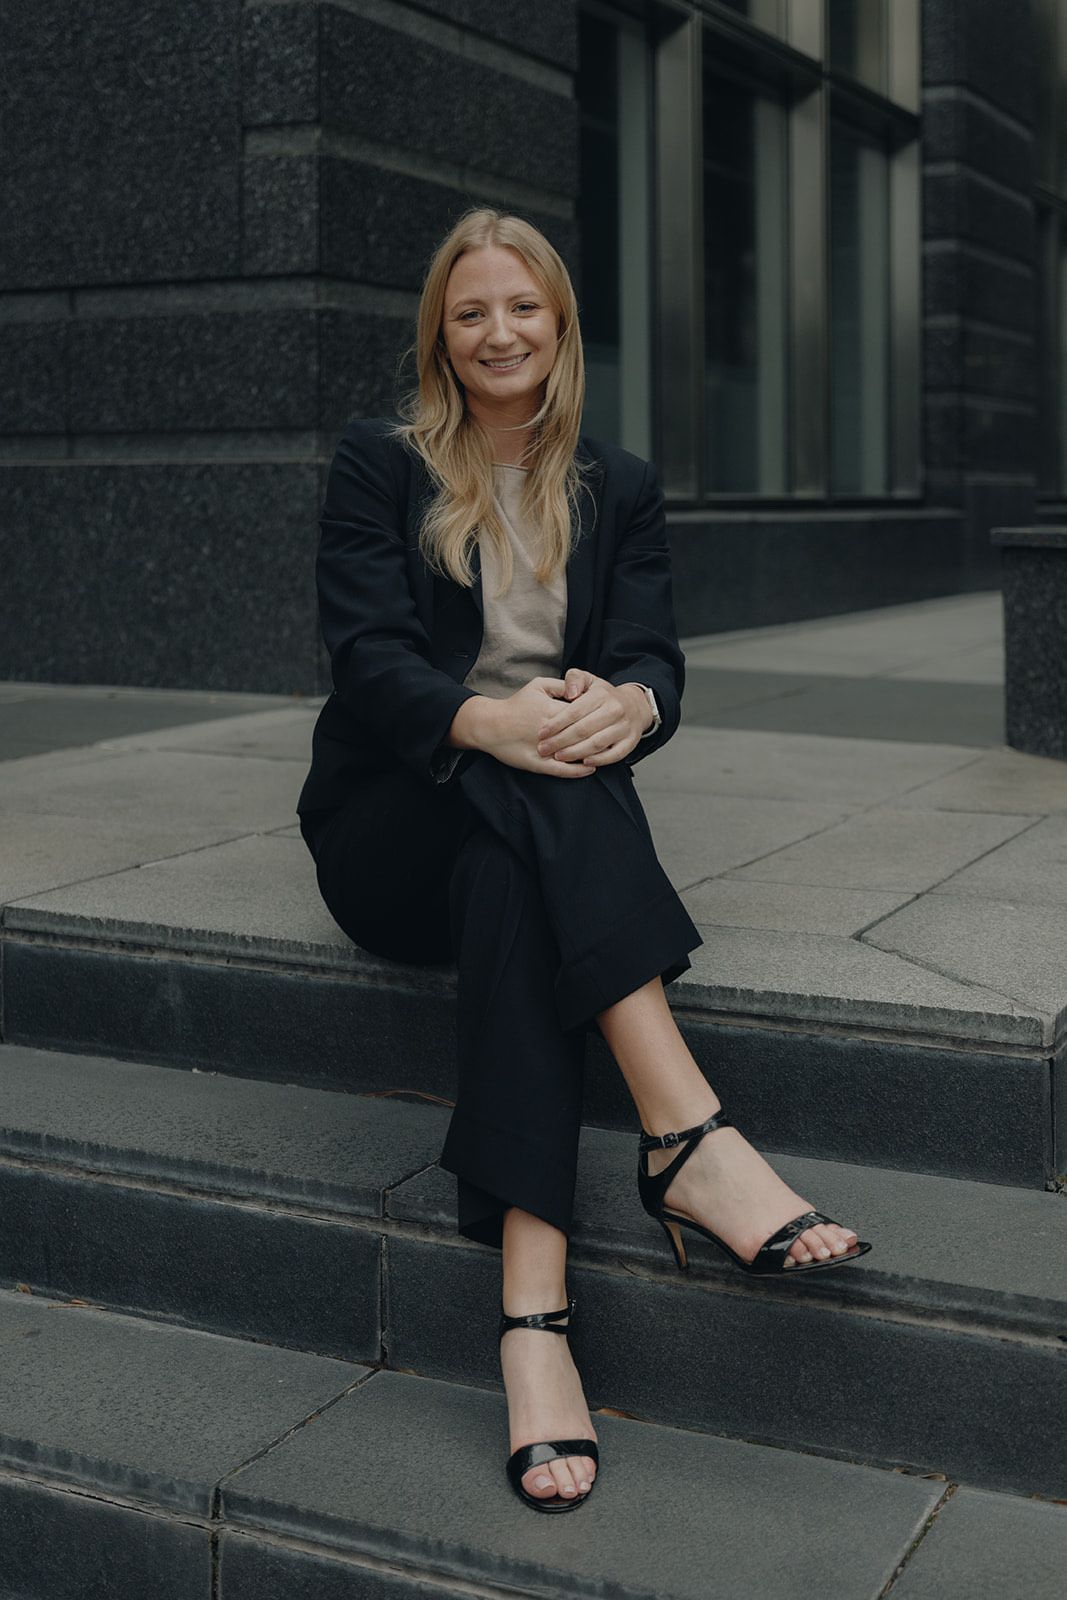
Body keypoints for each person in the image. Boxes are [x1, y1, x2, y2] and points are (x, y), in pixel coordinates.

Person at [296, 207, 871, 1515]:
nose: (501, 332)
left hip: (517, 839)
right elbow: (369, 657)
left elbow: (656, 657)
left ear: (561, 326)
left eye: (525, 308)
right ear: (440, 338)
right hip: (392, 824)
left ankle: (533, 1322)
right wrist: (484, 717)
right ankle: (689, 1132)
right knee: (536, 763)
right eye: (471, 312)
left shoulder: (621, 483)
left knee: (547, 805)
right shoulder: (381, 464)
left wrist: (635, 707)